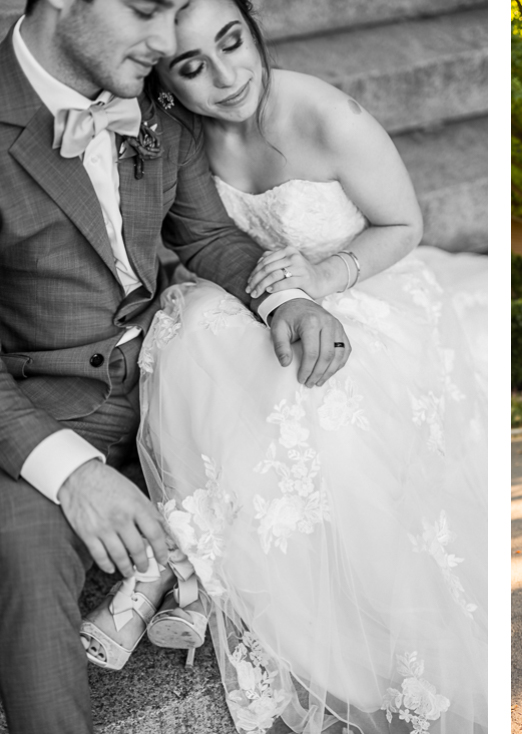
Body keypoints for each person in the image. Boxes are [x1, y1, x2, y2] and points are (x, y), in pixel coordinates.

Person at [77, 0, 487, 732]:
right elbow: (198, 238)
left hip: (361, 283)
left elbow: (406, 224)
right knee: (189, 326)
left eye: (233, 43)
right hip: (249, 290)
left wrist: (324, 280)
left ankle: (184, 571)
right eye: (193, 66)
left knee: (305, 391)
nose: (227, 76)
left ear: (256, 31)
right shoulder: (173, 130)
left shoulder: (330, 116)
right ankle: (187, 561)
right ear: (166, 80)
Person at [0, 0, 346, 731]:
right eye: (146, 12)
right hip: (47, 410)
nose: (165, 46)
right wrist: (74, 474)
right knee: (24, 554)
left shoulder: (145, 95)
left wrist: (285, 296)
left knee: (334, 408)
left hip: (169, 371)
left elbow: (207, 234)